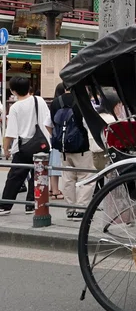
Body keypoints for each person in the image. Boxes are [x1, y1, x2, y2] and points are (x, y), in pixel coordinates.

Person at [0, 78, 52, 215]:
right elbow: (48, 121)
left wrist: (6, 149)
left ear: (13, 91)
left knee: (15, 177)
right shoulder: (39, 100)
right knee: (38, 175)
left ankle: (5, 205)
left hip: (24, 147)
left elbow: (10, 132)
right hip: (42, 145)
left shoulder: (16, 107)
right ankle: (31, 205)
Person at [49, 82, 96, 219]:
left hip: (63, 147)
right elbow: (88, 124)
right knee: (87, 176)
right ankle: (81, 210)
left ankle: (70, 209)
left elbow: (50, 123)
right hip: (81, 146)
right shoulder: (82, 101)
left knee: (68, 178)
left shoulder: (56, 102)